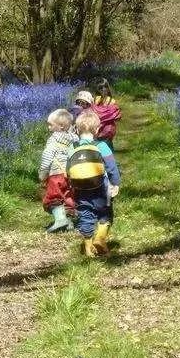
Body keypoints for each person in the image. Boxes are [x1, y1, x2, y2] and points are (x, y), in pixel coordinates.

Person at [66, 110, 120, 257]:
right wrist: (115, 183)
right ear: (97, 129)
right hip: (101, 187)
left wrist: (70, 184)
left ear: (76, 130)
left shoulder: (72, 147)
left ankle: (88, 247)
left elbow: (68, 169)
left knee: (85, 214)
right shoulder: (101, 145)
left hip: (80, 188)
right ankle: (100, 239)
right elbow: (111, 166)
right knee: (105, 212)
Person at [39, 109, 79, 233]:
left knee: (53, 196)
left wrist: (42, 173)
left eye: (51, 125)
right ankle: (69, 222)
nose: (49, 128)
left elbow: (47, 157)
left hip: (55, 174)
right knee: (68, 197)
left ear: (61, 126)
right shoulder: (74, 140)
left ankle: (61, 220)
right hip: (70, 174)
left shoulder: (53, 140)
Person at [92, 79, 121, 151]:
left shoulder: (110, 100)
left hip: (102, 130)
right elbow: (116, 115)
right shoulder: (97, 99)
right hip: (103, 130)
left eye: (105, 87)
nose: (103, 89)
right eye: (101, 88)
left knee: (103, 148)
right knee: (103, 149)